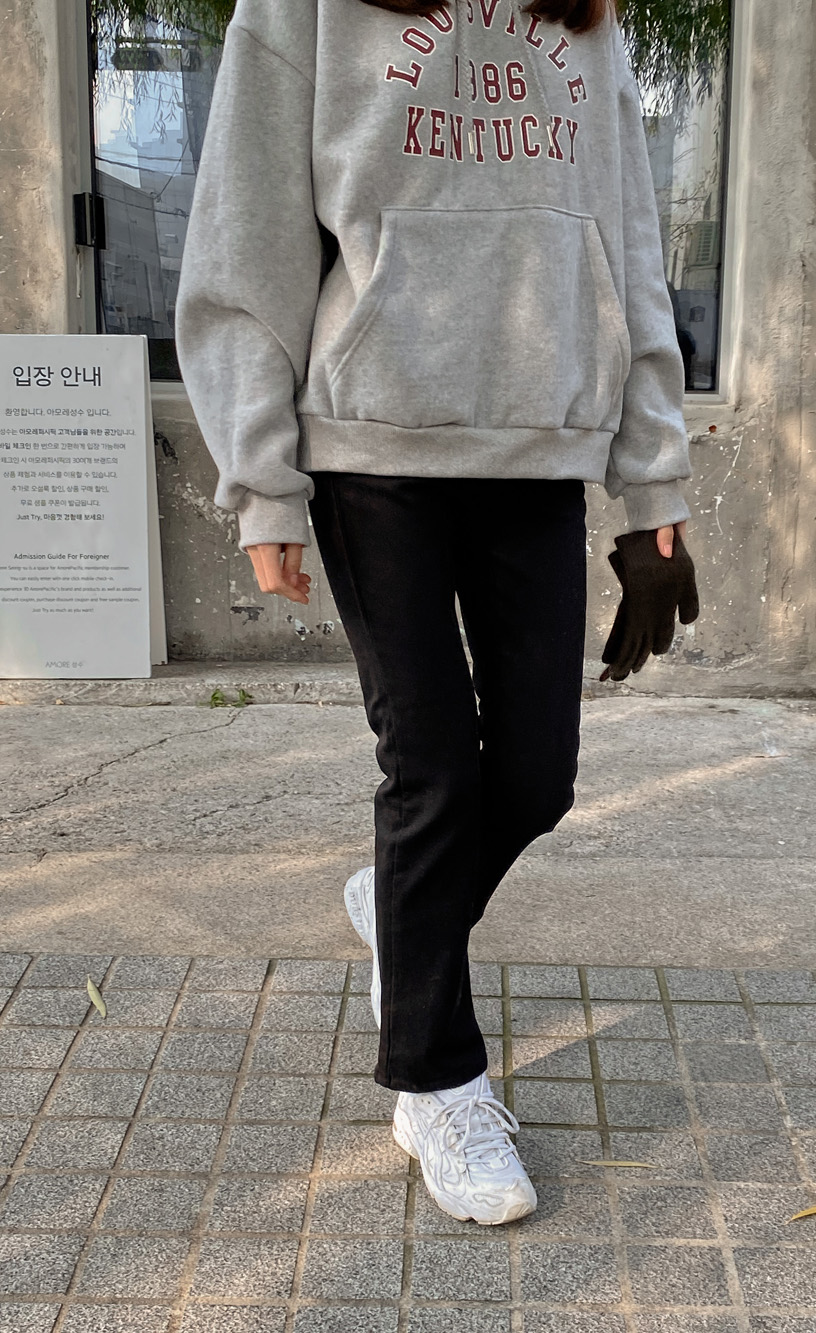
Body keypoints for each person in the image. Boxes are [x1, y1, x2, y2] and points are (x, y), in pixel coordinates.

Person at [175, 0, 698, 1226]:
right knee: (431, 772)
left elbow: (626, 237)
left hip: (538, 448)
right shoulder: (307, 8)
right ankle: (436, 1082)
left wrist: (652, 483)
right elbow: (247, 236)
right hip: (370, 450)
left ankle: (401, 905)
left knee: (536, 777)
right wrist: (262, 480)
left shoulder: (582, 15)